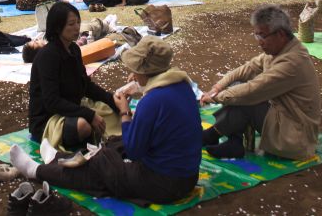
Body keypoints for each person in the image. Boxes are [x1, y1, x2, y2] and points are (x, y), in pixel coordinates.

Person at [11, 36, 201, 205]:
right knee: (115, 143)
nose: (133, 74)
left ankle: (37, 171)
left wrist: (125, 112)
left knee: (102, 166)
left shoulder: (152, 101)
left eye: (135, 69)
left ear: (146, 70)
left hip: (164, 183)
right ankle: (57, 159)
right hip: (187, 176)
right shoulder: (181, 86)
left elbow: (135, 151)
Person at [200, 5, 321, 160]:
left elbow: (254, 89)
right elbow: (247, 69)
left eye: (262, 36)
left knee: (244, 97)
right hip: (283, 118)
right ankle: (233, 141)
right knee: (237, 88)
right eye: (256, 36)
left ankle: (212, 135)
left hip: (295, 136)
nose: (259, 42)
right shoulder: (280, 50)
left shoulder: (292, 62)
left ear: (281, 34)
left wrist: (216, 97)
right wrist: (217, 88)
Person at [26, 1, 118, 150]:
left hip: (72, 109)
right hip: (48, 118)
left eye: (78, 22)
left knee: (112, 112)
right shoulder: (47, 56)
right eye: (71, 24)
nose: (77, 28)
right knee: (83, 126)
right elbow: (52, 102)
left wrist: (112, 100)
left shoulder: (74, 49)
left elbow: (86, 85)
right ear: (57, 27)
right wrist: (89, 115)